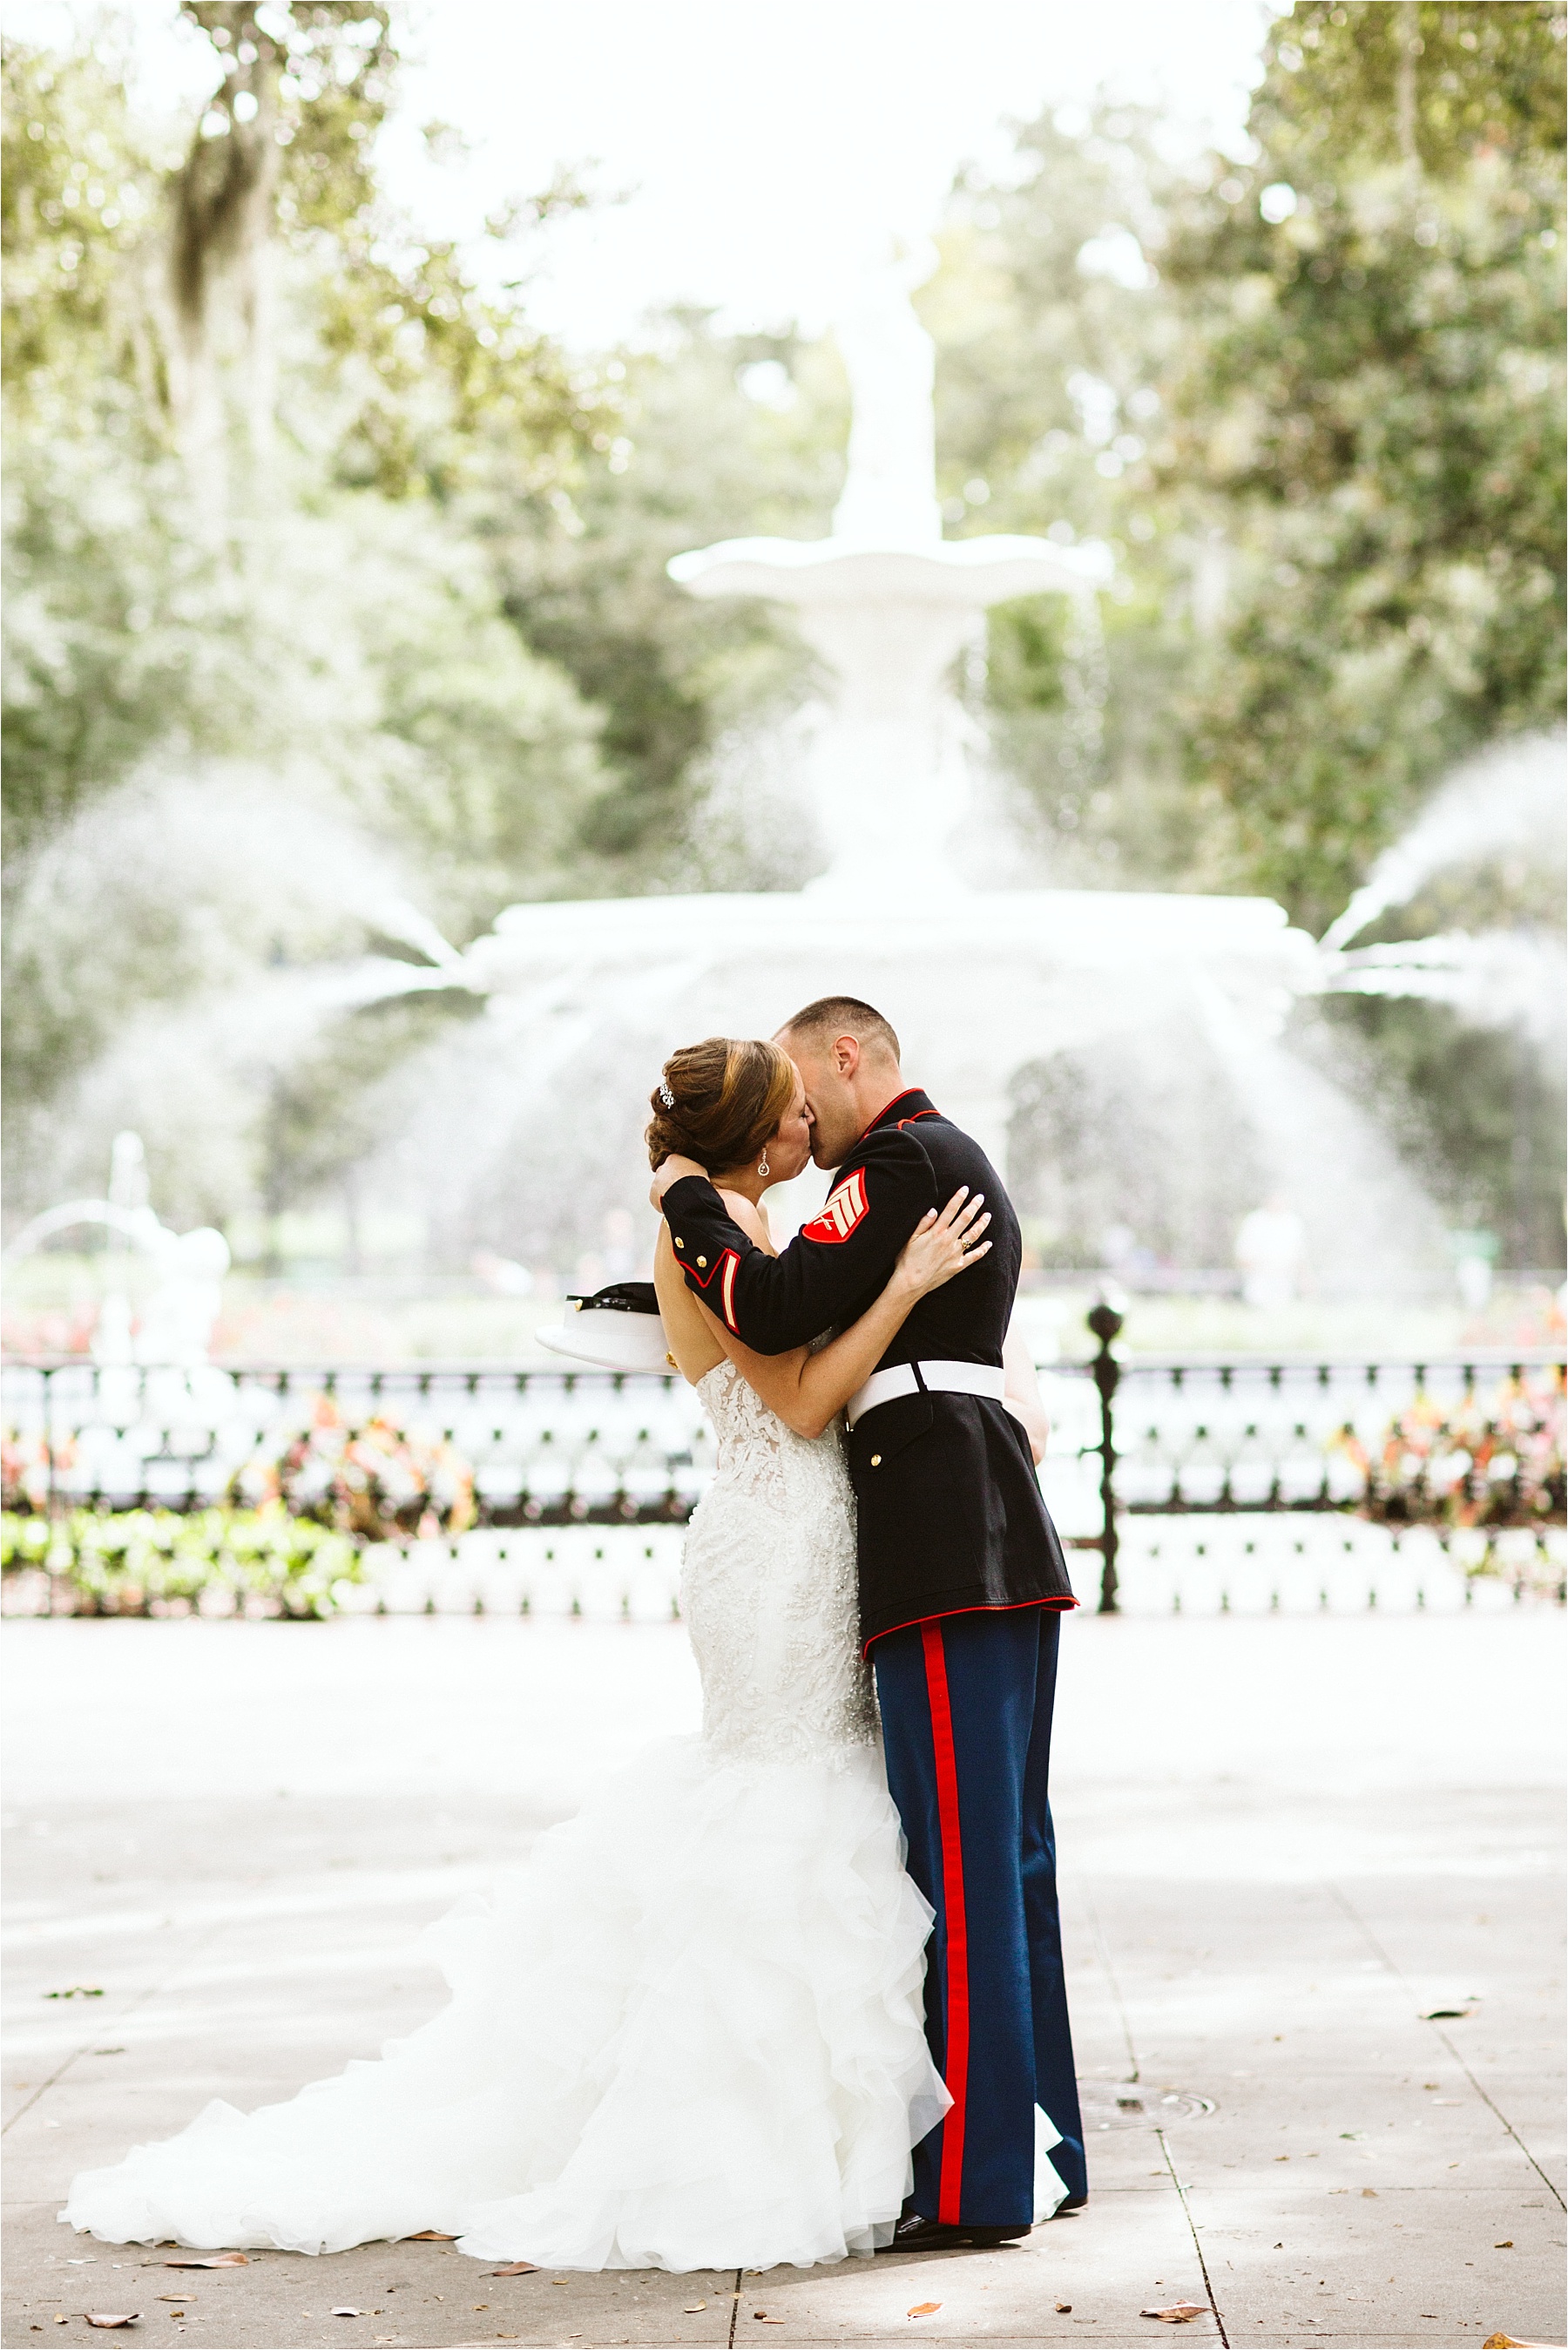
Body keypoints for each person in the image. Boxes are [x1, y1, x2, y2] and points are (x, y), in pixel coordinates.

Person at [62, 1036, 1009, 2272]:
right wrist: (904, 1282)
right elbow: (795, 1401)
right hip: (778, 1541)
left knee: (799, 1789)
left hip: (786, 1532)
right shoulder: (709, 1220)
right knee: (783, 1794)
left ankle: (840, 2136)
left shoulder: (723, 1214)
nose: (802, 1138)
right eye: (784, 1121)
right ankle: (743, 2140)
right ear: (748, 1139)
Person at [651, 997, 1085, 2249]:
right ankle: (1039, 2142)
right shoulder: (928, 1161)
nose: (799, 1121)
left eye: (804, 1086)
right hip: (977, 1537)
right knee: (1006, 1857)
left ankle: (976, 2183)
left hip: (945, 1544)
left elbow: (778, 1304)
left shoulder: (901, 1157)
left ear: (851, 1058)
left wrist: (681, 1192)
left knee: (960, 1868)